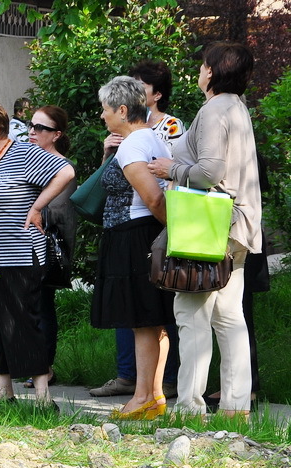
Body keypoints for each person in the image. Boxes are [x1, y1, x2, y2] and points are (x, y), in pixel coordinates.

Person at [148, 42, 262, 418]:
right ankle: (236, 408)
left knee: (191, 313)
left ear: (211, 71)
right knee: (229, 318)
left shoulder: (214, 109)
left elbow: (210, 171)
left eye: (202, 66)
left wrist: (171, 169)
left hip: (210, 226)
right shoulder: (237, 107)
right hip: (238, 225)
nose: (199, 71)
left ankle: (189, 410)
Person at [0, 101, 74, 405]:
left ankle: (42, 396)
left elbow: (66, 171)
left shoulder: (23, 153)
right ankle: (2, 390)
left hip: (19, 255)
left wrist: (37, 207)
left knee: (23, 324)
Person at [91, 60, 185, 400]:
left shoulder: (134, 144)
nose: (102, 116)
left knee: (143, 320)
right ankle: (153, 395)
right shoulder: (147, 138)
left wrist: (171, 233)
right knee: (150, 320)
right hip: (139, 234)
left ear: (121, 109)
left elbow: (155, 199)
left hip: (134, 236)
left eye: (105, 110)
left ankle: (144, 397)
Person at [24, 105, 77, 388]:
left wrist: (28, 208)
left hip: (44, 247)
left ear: (56, 134)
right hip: (18, 244)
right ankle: (27, 363)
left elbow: (58, 213)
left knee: (42, 306)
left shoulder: (63, 167)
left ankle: (44, 367)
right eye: (31, 125)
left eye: (40, 128)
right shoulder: (23, 159)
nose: (32, 132)